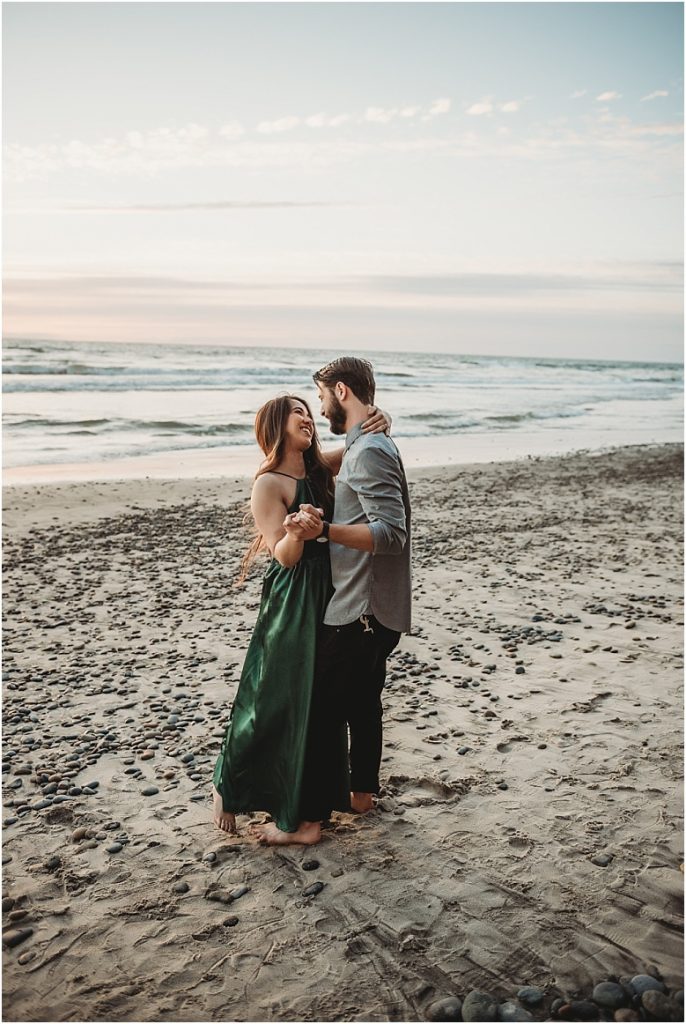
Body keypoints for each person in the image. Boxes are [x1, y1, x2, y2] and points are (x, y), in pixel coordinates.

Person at [211, 393, 390, 844]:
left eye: (310, 412)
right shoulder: (268, 484)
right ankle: (229, 786)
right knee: (269, 691)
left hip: (332, 593)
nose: (308, 418)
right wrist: (295, 531)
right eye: (298, 413)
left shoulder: (316, 469)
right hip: (294, 598)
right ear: (276, 424)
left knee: (316, 700)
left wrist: (382, 419)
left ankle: (309, 804)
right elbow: (284, 557)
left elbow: (355, 445)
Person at [259, 357, 412, 844]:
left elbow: (392, 535)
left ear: (340, 391)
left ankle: (306, 824)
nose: (319, 408)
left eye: (321, 397)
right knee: (364, 702)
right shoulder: (364, 443)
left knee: (322, 708)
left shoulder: (366, 450)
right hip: (374, 608)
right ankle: (361, 795)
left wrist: (324, 530)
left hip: (360, 609)